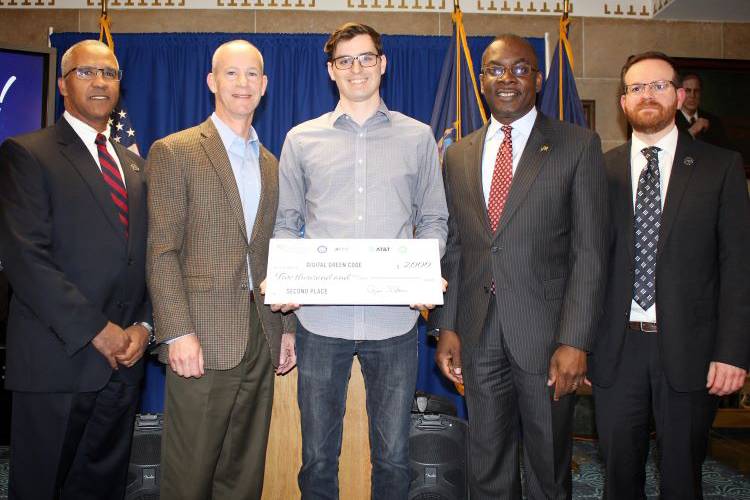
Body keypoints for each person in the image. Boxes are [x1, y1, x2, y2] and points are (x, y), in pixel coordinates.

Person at [271, 22, 448, 500]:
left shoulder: (418, 138)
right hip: (319, 324)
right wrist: (284, 278)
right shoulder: (300, 140)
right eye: (345, 60)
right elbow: (287, 221)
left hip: (395, 325)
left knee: (393, 458)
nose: (357, 69)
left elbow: (434, 219)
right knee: (317, 459)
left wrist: (424, 274)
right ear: (331, 71)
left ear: (382, 64)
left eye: (366, 57)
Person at [430, 34, 608, 499]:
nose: (507, 79)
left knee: (548, 466)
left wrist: (575, 340)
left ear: (538, 78)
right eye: (495, 69)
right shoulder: (459, 154)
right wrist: (447, 326)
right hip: (477, 333)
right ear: (481, 80)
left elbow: (589, 252)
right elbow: (455, 247)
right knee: (486, 462)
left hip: (548, 337)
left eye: (520, 68)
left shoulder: (577, 145)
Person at [588, 51, 750, 500]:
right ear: (623, 103)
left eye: (658, 85)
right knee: (619, 479)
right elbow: (586, 264)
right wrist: (577, 343)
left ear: (679, 96)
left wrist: (733, 352)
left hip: (692, 353)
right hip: (616, 351)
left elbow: (738, 265)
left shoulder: (721, 167)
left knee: (682, 478)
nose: (648, 95)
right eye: (636, 88)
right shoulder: (599, 171)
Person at [0, 39, 151, 499]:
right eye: (87, 72)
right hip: (57, 366)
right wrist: (98, 331)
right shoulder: (27, 153)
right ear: (64, 85)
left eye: (110, 73)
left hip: (124, 368)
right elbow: (27, 260)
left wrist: (144, 326)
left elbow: (144, 257)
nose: (101, 82)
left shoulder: (135, 166)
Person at [146, 40, 296, 500]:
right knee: (189, 476)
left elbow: (277, 251)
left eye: (252, 74)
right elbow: (161, 249)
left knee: (243, 473)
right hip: (201, 338)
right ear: (212, 81)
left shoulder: (272, 164)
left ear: (265, 85)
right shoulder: (177, 151)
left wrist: (286, 328)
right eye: (231, 73)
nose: (242, 83)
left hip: (261, 334)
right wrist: (177, 332)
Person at [675, 72, 730, 148]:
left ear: (701, 93)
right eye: (688, 91)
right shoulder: (671, 120)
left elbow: (725, 150)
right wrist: (691, 131)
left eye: (696, 91)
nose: (692, 95)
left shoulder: (714, 121)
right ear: (680, 94)